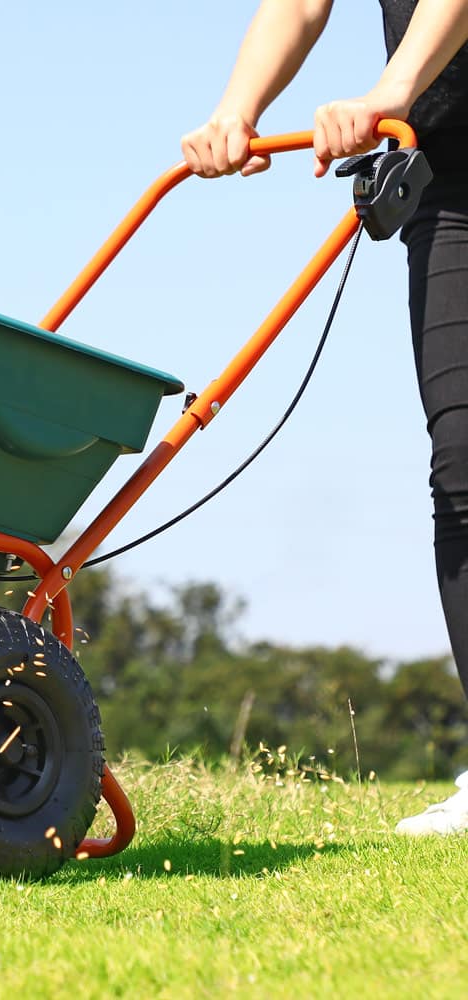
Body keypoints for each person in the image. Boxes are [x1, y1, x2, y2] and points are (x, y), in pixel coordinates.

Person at [181, 0, 468, 835]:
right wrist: (236, 110)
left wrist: (391, 88)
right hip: (449, 188)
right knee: (461, 473)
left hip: (417, 114)